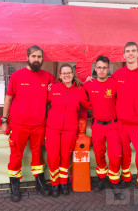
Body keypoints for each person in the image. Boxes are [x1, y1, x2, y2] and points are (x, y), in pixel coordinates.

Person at [2, 45, 55, 202]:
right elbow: (8, 98)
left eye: (39, 57)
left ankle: (39, 182)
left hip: (39, 125)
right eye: (34, 56)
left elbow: (59, 92)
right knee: (16, 156)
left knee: (38, 154)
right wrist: (4, 120)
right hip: (18, 125)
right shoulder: (17, 76)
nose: (37, 59)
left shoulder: (48, 77)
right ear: (28, 58)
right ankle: (14, 185)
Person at [112, 42, 138, 211]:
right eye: (127, 51)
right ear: (123, 55)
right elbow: (106, 90)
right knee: (123, 154)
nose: (130, 54)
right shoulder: (118, 74)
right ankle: (126, 178)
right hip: (121, 124)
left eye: (133, 51)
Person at [46, 63, 91, 197]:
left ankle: (63, 183)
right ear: (60, 76)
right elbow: (43, 103)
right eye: (63, 73)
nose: (66, 75)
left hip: (70, 129)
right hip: (52, 129)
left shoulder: (79, 90)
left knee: (65, 157)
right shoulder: (52, 89)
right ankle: (55, 184)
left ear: (73, 74)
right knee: (53, 158)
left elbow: (88, 105)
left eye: (69, 73)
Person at [83, 55, 123, 198]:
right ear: (95, 69)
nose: (101, 70)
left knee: (114, 156)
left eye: (104, 68)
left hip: (113, 126)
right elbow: (73, 89)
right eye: (99, 67)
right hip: (97, 126)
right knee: (99, 154)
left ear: (108, 69)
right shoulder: (88, 84)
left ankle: (114, 181)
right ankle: (101, 179)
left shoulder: (115, 84)